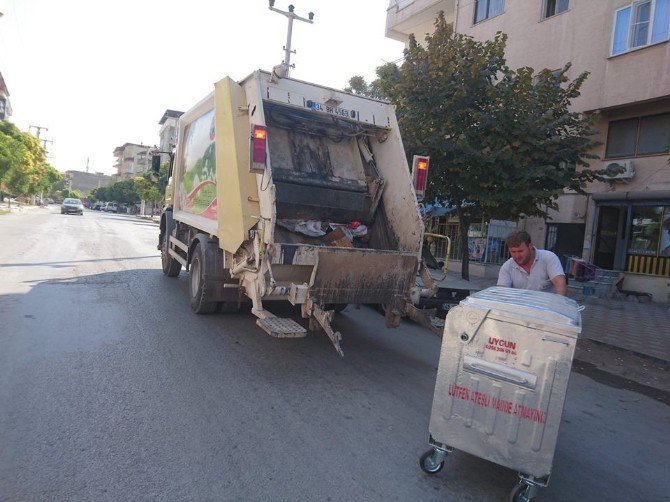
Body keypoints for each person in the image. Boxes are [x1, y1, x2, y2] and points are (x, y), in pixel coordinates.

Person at [497, 230, 567, 296]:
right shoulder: (507, 267)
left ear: (530, 246)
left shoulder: (549, 258)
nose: (517, 256)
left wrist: (559, 304)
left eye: (520, 251)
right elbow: (502, 292)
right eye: (513, 252)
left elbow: (559, 283)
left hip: (546, 306)